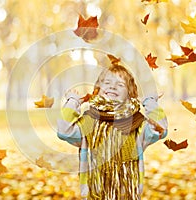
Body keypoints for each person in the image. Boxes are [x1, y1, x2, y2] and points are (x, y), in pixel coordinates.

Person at [57, 55, 168, 199]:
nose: (112, 86)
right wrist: (72, 102)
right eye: (107, 82)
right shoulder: (89, 120)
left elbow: (160, 129)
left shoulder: (137, 123)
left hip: (127, 195)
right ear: (98, 89)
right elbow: (64, 132)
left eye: (120, 84)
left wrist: (149, 101)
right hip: (94, 195)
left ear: (130, 93)